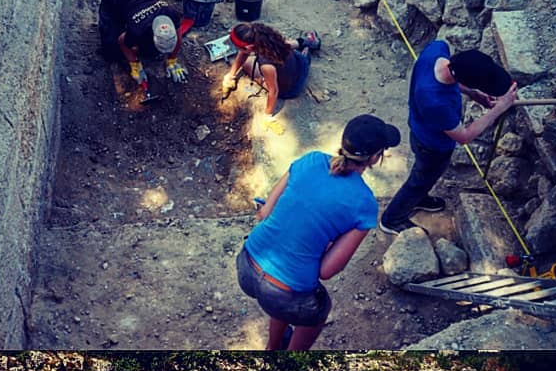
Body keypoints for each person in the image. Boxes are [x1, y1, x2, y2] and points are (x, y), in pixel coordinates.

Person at [237, 115, 401, 350]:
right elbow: (326, 271)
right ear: (374, 158)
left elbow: (264, 214)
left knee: (286, 292)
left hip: (246, 266)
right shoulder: (364, 204)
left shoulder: (311, 159)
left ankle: (273, 347)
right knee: (315, 309)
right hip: (284, 294)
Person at [380, 44, 518, 234]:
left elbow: (454, 77)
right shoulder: (436, 102)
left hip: (421, 130)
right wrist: (499, 109)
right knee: (419, 180)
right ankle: (392, 219)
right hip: (432, 146)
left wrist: (472, 93)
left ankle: (419, 198)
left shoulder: (438, 50)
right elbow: (464, 136)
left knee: (424, 176)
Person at [222, 22, 320, 131]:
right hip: (300, 62)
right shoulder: (268, 39)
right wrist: (230, 76)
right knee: (287, 45)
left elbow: (274, 91)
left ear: (249, 47)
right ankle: (306, 43)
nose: (238, 50)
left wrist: (267, 116)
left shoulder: (266, 65)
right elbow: (244, 52)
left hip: (291, 89)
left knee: (248, 64)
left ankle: (306, 51)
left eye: (239, 48)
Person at [98, 0, 194, 90]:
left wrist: (172, 60)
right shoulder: (137, 28)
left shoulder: (172, 14)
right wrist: (135, 65)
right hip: (113, 0)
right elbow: (122, 41)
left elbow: (178, 38)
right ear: (153, 33)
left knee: (149, 50)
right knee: (111, 51)